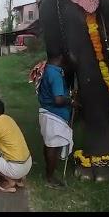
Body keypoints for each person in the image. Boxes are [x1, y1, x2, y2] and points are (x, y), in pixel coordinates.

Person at [37, 53, 78, 188]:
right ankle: (50, 178)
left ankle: (48, 173)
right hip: (54, 115)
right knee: (53, 147)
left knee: (49, 144)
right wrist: (71, 101)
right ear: (61, 58)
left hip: (46, 112)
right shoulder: (55, 75)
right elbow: (58, 99)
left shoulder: (47, 68)